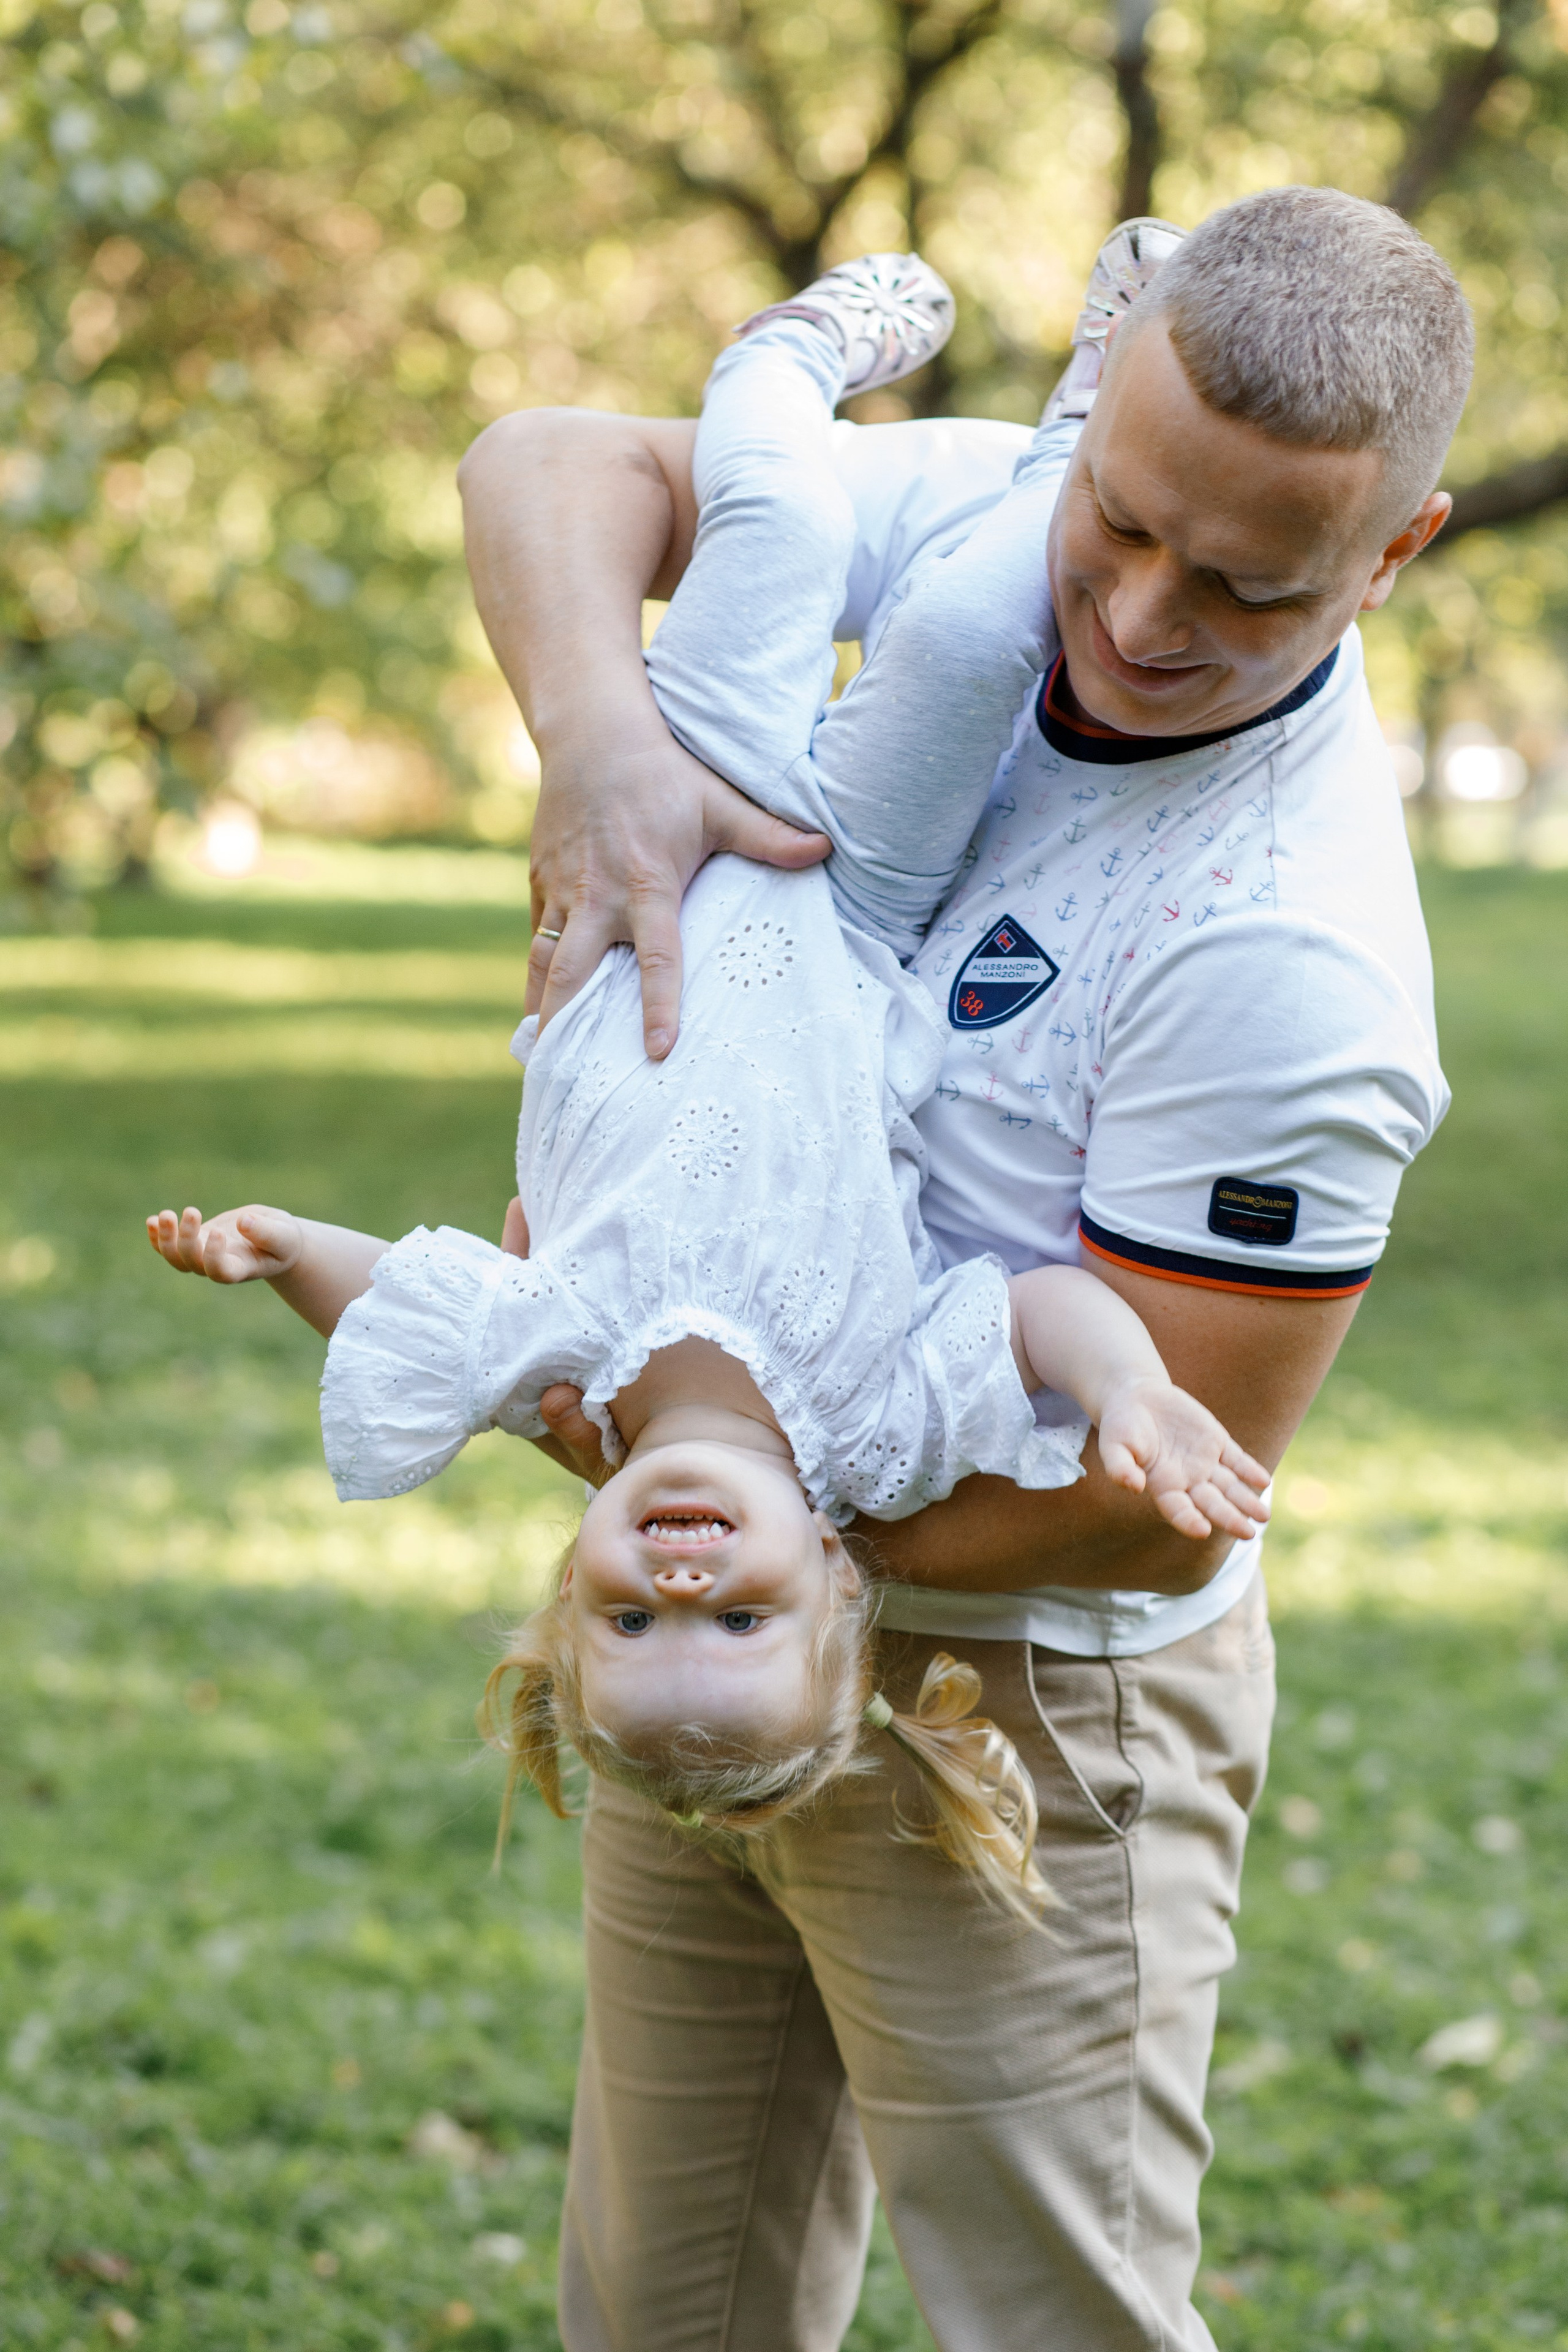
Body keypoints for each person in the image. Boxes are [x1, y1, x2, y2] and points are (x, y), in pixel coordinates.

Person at [454, 186, 1470, 2351]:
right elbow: (544, 464)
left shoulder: (1289, 959)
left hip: (1015, 1686)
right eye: (1122, 519)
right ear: (1101, 409)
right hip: (706, 1635)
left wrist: (713, 1482)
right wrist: (599, 744)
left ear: (1393, 555)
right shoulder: (1001, 509)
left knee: (1050, 2316)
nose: (1139, 609)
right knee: (665, 2301)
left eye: (1247, 583)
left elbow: (1144, 1469)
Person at [144, 252, 1268, 1922]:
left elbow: (393, 1300)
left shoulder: (563, 1377)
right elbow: (1032, 1311)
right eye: (736, 1623)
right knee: (975, 626)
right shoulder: (881, 1436)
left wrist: (276, 1243)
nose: (680, 1580)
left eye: (630, 1620)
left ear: (566, 1591)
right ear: (834, 1581)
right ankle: (1095, 411)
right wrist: (1131, 1398)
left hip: (675, 841)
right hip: (854, 898)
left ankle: (787, 353)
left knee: (784, 527)